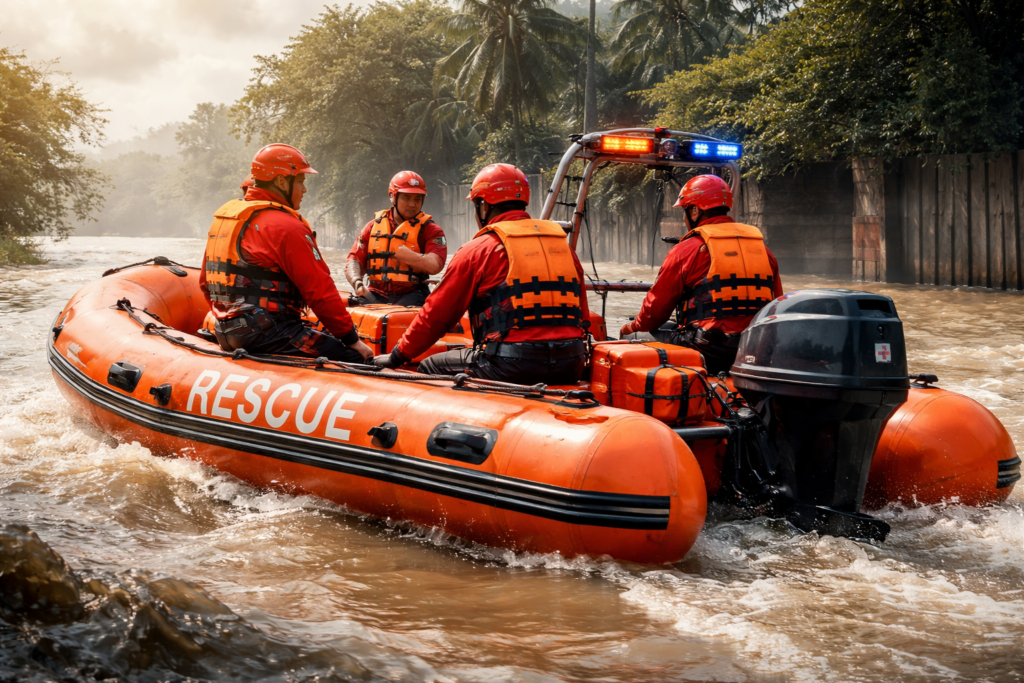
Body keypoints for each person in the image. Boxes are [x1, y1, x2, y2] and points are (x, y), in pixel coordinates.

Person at [372, 163, 590, 385]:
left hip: (510, 365)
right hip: (571, 362)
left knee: (428, 365)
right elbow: (583, 314)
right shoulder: (564, 247)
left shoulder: (478, 250)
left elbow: (437, 317)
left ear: (483, 206)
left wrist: (397, 356)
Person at [200, 143, 372, 363]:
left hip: (227, 331)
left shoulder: (227, 220)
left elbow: (205, 283)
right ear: (281, 181)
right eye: (300, 181)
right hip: (270, 333)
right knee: (354, 357)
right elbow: (319, 290)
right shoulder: (286, 227)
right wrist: (351, 339)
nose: (304, 189)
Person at [619, 174, 783, 375]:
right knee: (672, 326)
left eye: (685, 211)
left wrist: (631, 327)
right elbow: (776, 306)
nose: (684, 218)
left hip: (708, 350)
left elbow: (654, 313)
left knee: (634, 336)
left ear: (695, 210)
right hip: (753, 349)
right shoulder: (764, 251)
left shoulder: (686, 250)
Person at [344, 171, 447, 307]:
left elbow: (436, 265)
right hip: (375, 294)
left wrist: (408, 256)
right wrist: (357, 283)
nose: (412, 204)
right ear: (393, 196)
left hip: (413, 294)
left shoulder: (431, 230)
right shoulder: (372, 227)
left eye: (417, 199)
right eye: (406, 198)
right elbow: (353, 260)